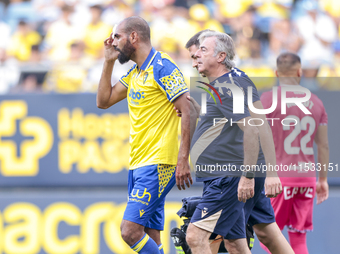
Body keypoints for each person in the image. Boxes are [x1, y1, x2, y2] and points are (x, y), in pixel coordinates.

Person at [182, 30, 294, 254]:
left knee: (196, 237)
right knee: (243, 239)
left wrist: (248, 176)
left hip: (229, 175)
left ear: (221, 56)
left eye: (202, 50)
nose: (196, 57)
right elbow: (258, 123)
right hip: (238, 171)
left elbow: (253, 128)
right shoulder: (236, 78)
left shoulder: (224, 87)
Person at [96, 16, 192, 254]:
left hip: (158, 162)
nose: (112, 42)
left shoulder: (162, 66)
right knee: (151, 235)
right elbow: (103, 101)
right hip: (138, 163)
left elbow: (188, 109)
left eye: (117, 36)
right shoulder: (136, 73)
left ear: (134, 37)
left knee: (129, 232)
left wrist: (183, 158)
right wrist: (108, 62)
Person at [260, 52, 329, 254]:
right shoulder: (316, 102)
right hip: (307, 178)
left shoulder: (267, 99)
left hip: (279, 178)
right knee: (298, 239)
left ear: (276, 73)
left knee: (268, 239)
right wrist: (322, 179)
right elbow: (323, 145)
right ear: (299, 72)